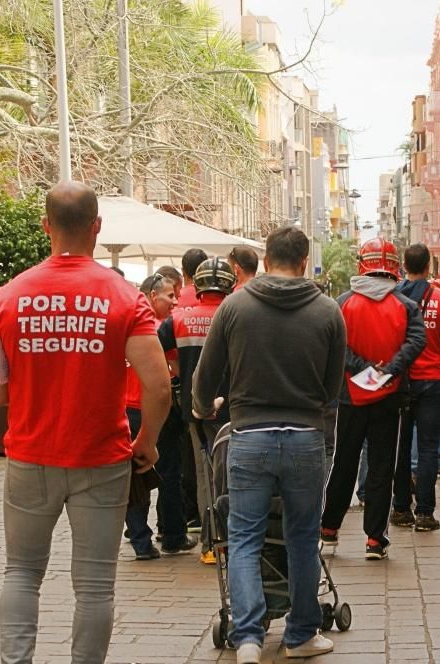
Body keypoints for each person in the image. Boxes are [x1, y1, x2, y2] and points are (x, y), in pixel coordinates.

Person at [0, 181, 171, 664]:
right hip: (101, 457)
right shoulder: (125, 298)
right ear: (97, 227)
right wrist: (147, 440)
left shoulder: (8, 297)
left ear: (46, 226)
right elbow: (158, 385)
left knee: (21, 572)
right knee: (93, 585)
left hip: (29, 454)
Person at [192, 227, 346, 663]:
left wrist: (205, 406)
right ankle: (300, 635)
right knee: (301, 536)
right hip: (304, 438)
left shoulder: (235, 306)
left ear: (266, 257)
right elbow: (332, 386)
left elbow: (206, 375)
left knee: (243, 538)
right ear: (304, 260)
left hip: (248, 436)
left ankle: (247, 639)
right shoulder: (328, 311)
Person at [321, 237, 426, 559]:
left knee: (344, 463)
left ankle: (329, 529)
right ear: (395, 267)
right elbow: (417, 339)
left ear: (361, 264)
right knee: (382, 466)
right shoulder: (406, 305)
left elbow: (335, 346)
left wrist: (362, 369)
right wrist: (390, 371)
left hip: (352, 396)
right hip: (389, 397)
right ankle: (375, 539)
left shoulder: (342, 303)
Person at [158, 256, 236, 565]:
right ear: (229, 285)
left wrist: (175, 369)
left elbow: (152, 345)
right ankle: (229, 540)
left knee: (205, 476)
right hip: (233, 409)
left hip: (194, 410)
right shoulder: (235, 315)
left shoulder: (179, 318)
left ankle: (209, 543)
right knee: (230, 476)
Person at [123, 273, 196, 560]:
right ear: (153, 297)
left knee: (135, 476)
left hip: (127, 410)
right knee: (168, 473)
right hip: (156, 411)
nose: (175, 301)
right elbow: (175, 371)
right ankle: (173, 536)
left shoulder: (124, 325)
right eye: (170, 296)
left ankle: (141, 541)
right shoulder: (157, 329)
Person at [391, 243, 440, 532]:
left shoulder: (393, 297)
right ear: (429, 267)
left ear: (404, 266)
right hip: (432, 380)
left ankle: (399, 509)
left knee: (401, 446)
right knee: (430, 448)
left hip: (401, 381)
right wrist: (438, 347)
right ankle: (424, 512)